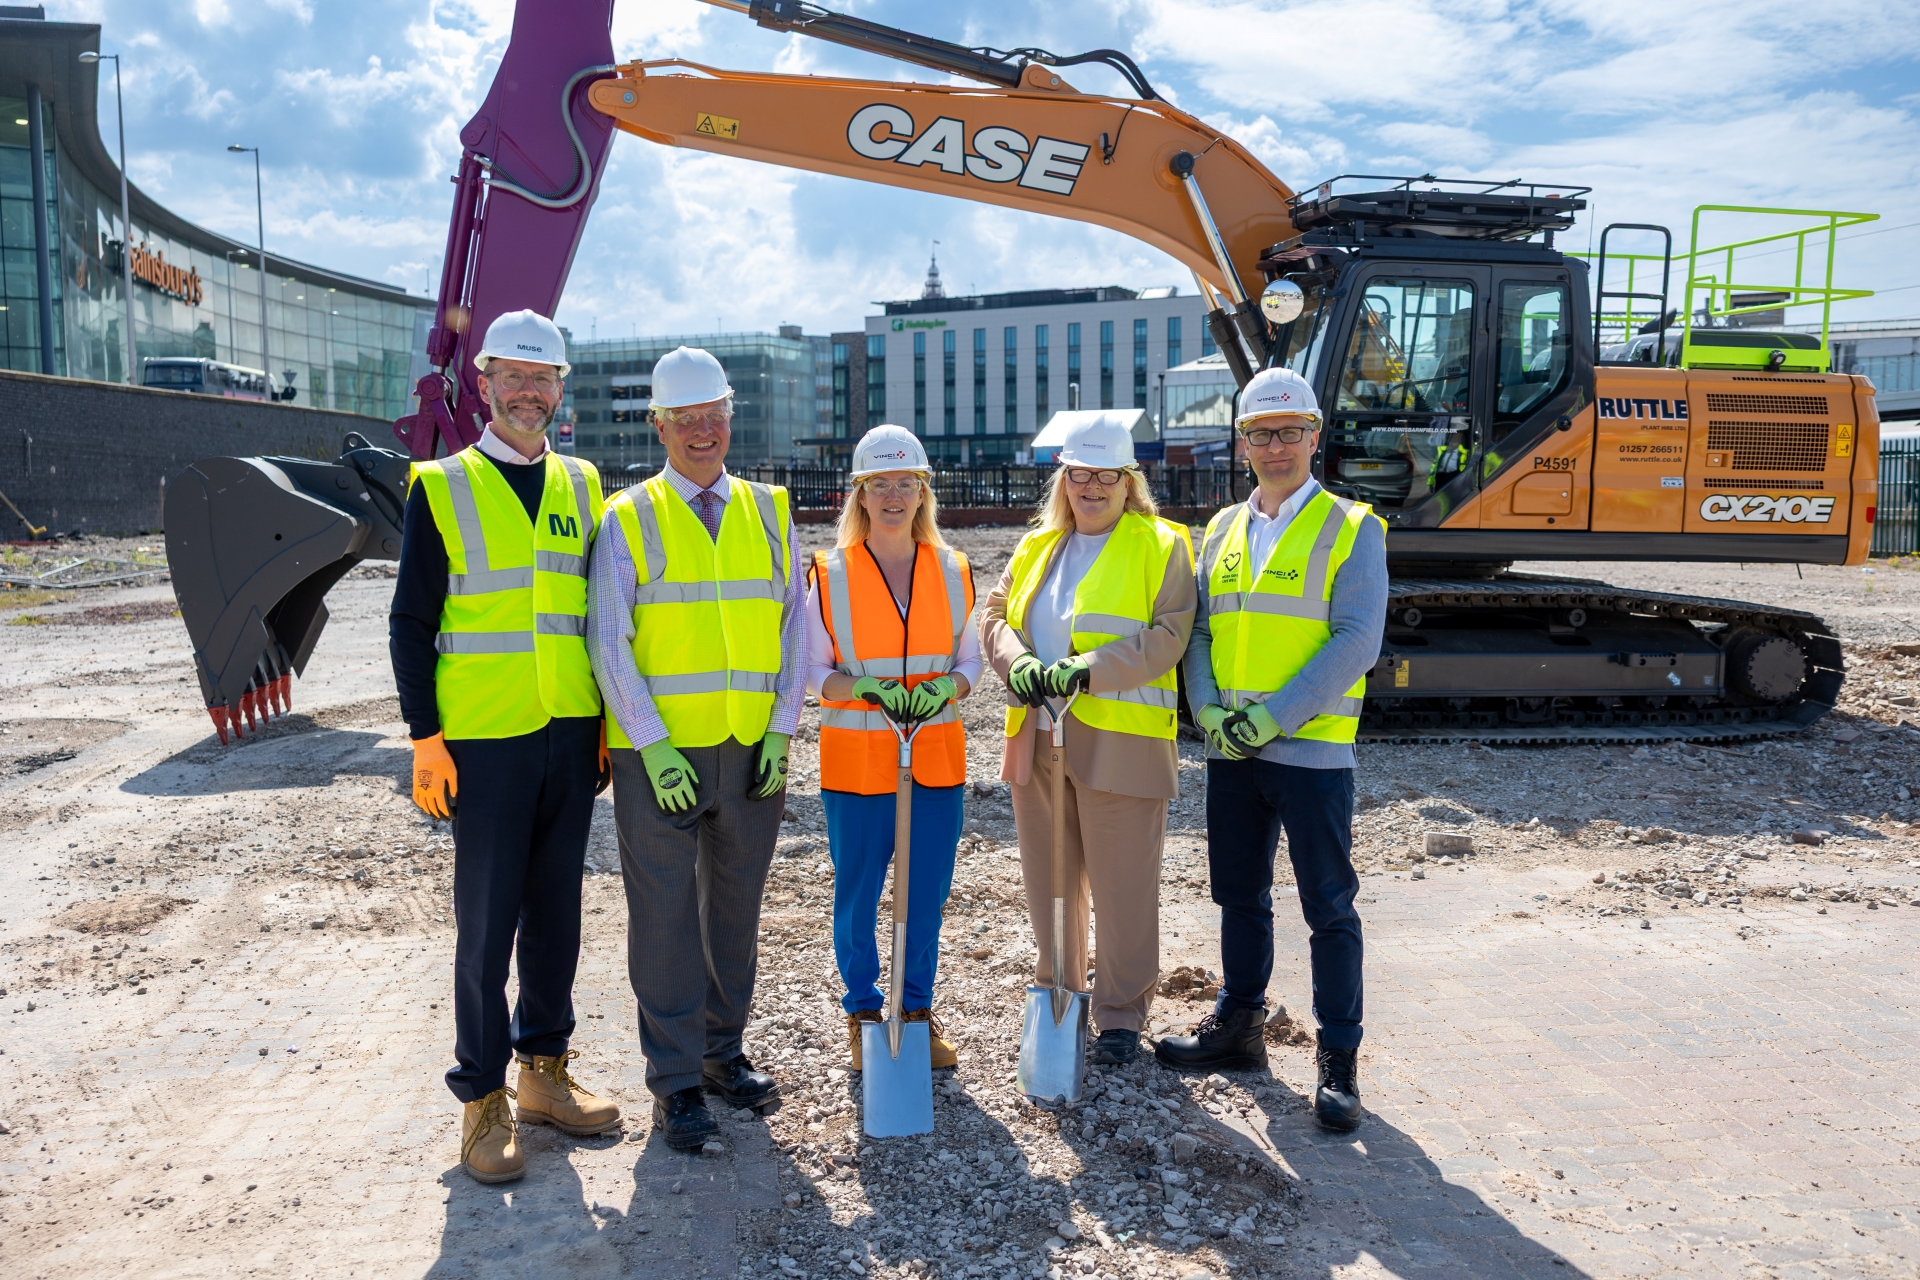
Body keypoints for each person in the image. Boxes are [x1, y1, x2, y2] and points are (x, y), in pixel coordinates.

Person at [389, 309, 621, 1185]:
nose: (529, 391)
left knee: (557, 918)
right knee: (486, 928)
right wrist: (426, 740)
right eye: (513, 377)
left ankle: (544, 1074)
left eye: (544, 377)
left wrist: (599, 726)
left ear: (561, 390)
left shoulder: (584, 484)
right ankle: (482, 1099)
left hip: (567, 733)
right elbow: (411, 624)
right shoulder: (439, 486)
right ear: (483, 384)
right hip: (482, 741)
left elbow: (596, 618)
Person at [1159, 366, 1387, 1133]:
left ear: (1315, 437)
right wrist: (1211, 710)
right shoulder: (1221, 530)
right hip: (1232, 752)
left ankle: (1339, 1059)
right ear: (1243, 442)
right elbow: (1199, 632)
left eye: (1290, 431)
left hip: (1312, 753)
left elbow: (1357, 639)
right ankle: (1241, 1028)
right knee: (1239, 897)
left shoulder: (1354, 528)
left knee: (1328, 907)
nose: (1276, 445)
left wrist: (1275, 717)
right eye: (1262, 432)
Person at [587, 345, 803, 1150]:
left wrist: (782, 729)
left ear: (729, 416)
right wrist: (652, 743)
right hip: (660, 759)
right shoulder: (628, 517)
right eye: (686, 420)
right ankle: (676, 1083)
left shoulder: (771, 509)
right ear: (659, 425)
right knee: (666, 918)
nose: (703, 432)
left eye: (714, 415)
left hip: (751, 750)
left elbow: (794, 629)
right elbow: (610, 643)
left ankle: (721, 1055)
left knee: (736, 914)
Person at [980, 414, 1195, 1067]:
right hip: (1037, 734)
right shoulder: (1039, 546)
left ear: (1130, 482)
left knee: (1124, 885)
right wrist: (1013, 660)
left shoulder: (1162, 545)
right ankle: (1060, 997)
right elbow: (991, 615)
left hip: (1119, 738)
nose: (1093, 486)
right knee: (1051, 883)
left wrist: (1089, 668)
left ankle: (1122, 1015)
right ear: (1064, 479)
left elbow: (1170, 635)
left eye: (1107, 475)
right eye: (1081, 474)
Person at [807, 426, 979, 1070]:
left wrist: (948, 688)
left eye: (906, 482)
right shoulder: (829, 573)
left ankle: (915, 1011)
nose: (894, 495)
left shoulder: (954, 566)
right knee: (857, 892)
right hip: (857, 765)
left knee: (926, 892)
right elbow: (810, 671)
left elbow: (970, 659)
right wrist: (865, 689)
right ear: (859, 493)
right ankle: (862, 1013)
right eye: (879, 483)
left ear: (923, 490)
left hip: (934, 758)